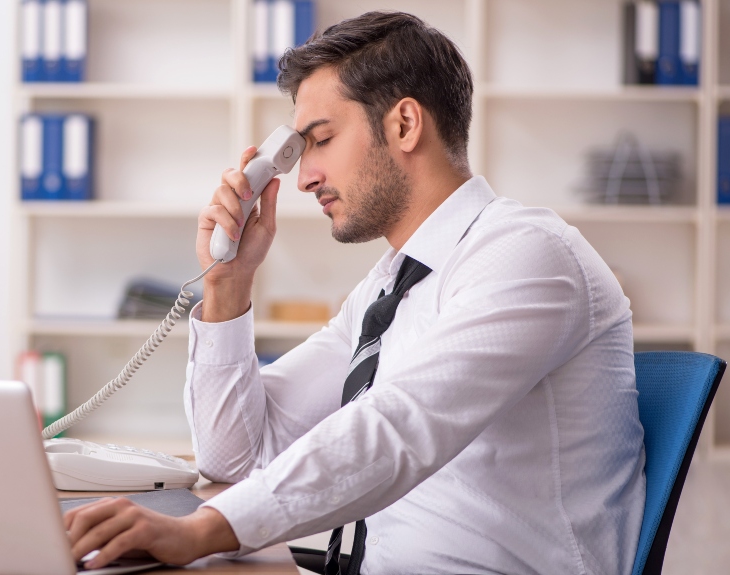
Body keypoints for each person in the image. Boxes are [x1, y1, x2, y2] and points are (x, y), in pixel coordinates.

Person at [64, 11, 646, 575]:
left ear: (404, 125)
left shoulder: (528, 256)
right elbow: (236, 458)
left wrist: (201, 530)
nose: (303, 176)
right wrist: (228, 284)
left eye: (319, 140)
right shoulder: (390, 286)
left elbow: (401, 425)